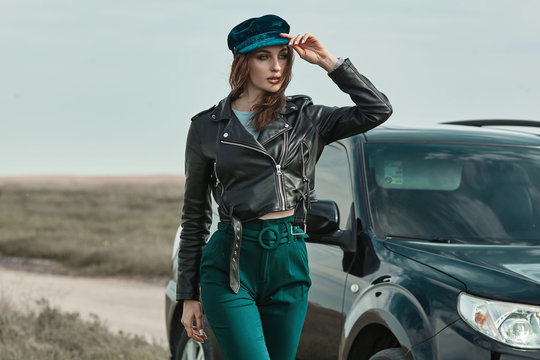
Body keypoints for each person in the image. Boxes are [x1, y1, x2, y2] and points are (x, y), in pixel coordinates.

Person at [176, 14, 392, 360]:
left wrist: (328, 63)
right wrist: (188, 293)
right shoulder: (207, 127)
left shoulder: (307, 118)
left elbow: (377, 109)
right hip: (231, 265)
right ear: (242, 63)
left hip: (288, 260)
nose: (276, 66)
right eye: (264, 57)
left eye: (283, 55)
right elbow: (194, 215)